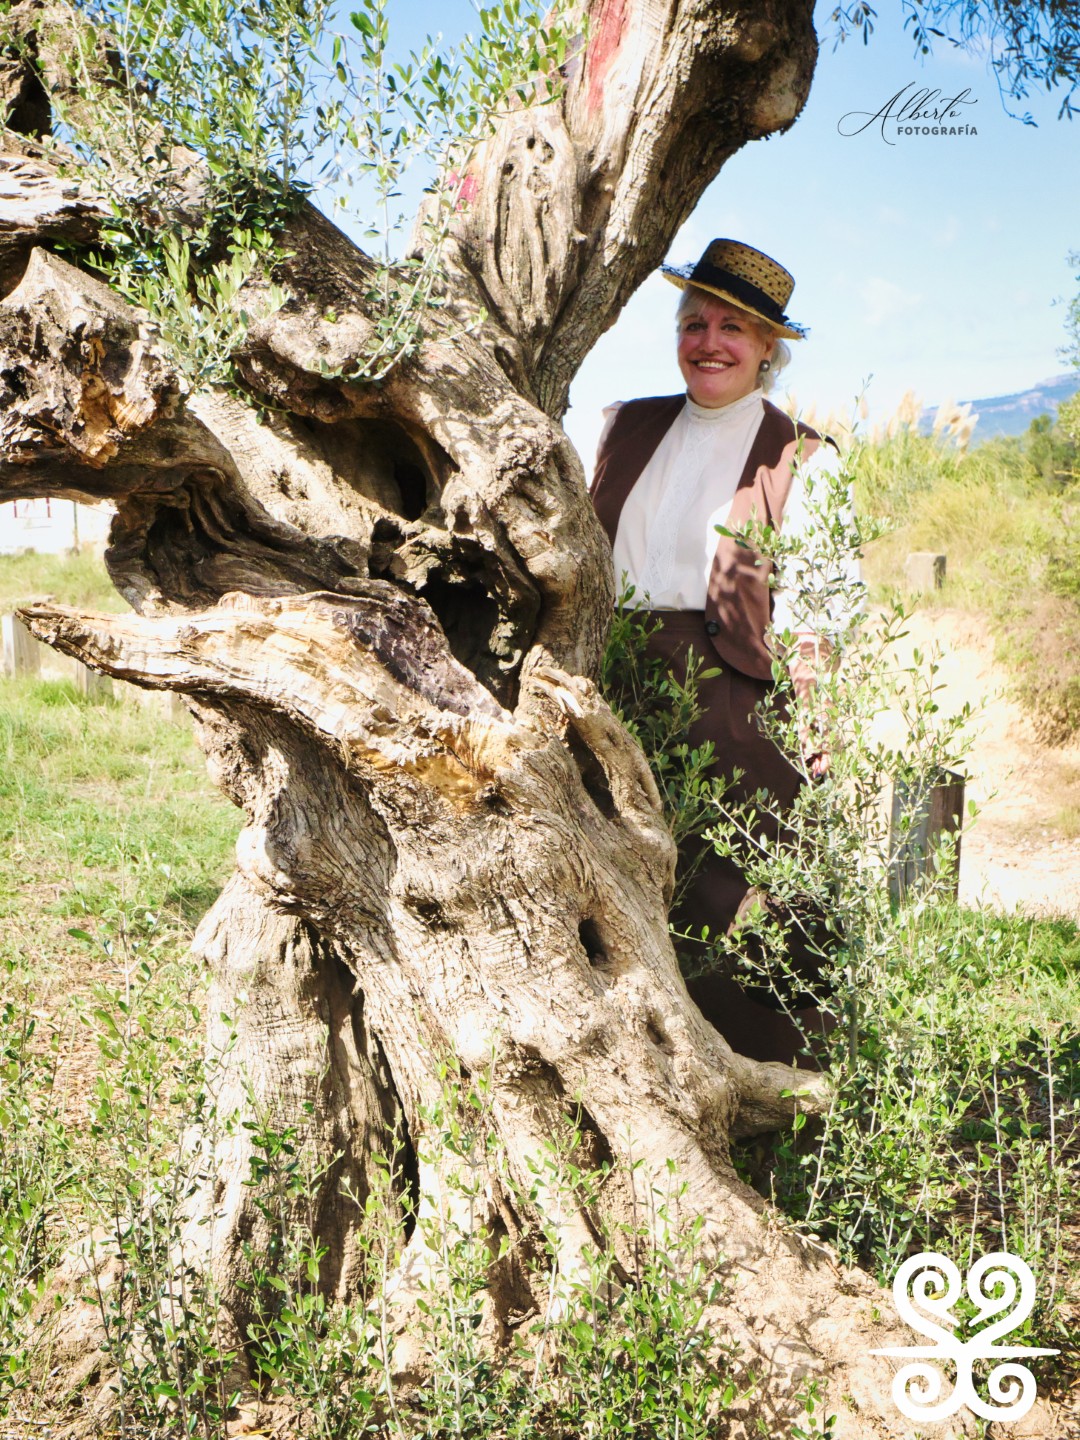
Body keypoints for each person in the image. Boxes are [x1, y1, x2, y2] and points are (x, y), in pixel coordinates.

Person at [590, 238, 850, 1067]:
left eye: (734, 328)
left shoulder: (805, 458)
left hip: (734, 707)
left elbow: (821, 616)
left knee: (728, 898)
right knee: (617, 888)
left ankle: (760, 1095)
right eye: (695, 322)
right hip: (614, 687)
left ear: (769, 348)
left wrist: (824, 733)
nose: (710, 342)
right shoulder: (619, 427)